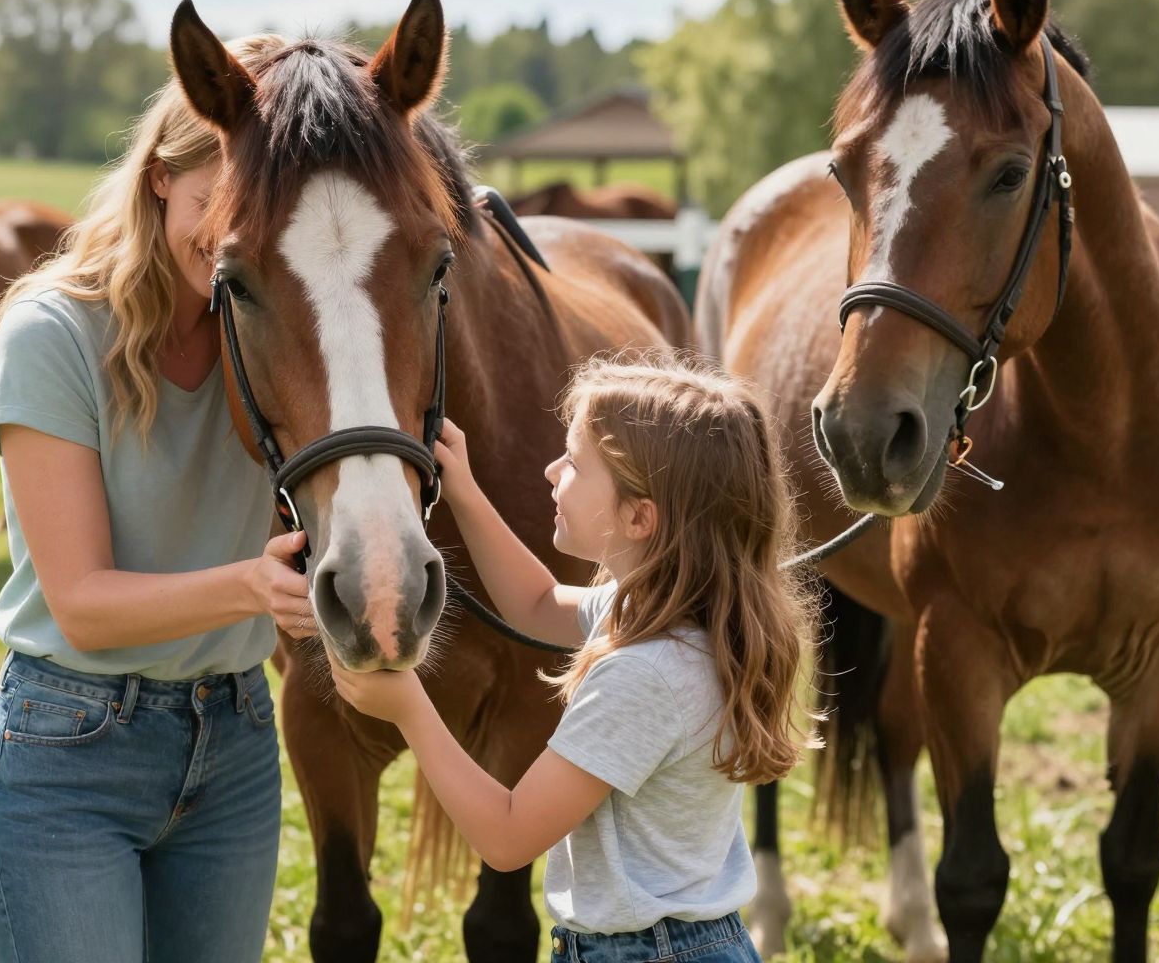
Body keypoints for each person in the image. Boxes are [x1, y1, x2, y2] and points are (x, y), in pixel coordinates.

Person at [0, 35, 311, 963]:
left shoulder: (267, 327)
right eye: (212, 205)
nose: (227, 237)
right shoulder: (54, 333)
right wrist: (251, 588)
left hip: (234, 740)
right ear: (161, 177)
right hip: (71, 748)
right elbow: (80, 603)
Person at [330, 355, 818, 963]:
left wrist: (408, 710)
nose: (551, 470)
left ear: (639, 517)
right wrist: (463, 489)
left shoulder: (646, 672)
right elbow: (535, 603)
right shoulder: (666, 614)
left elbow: (507, 836)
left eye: (575, 464)